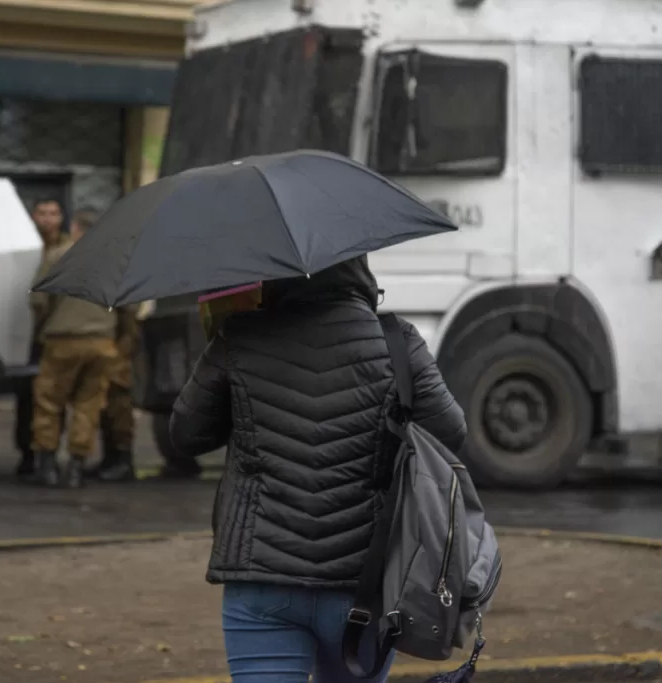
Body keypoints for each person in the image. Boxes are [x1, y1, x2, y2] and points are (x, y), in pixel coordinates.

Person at [168, 257, 467, 683]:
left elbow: (186, 435)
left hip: (261, 577)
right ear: (360, 271)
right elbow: (452, 432)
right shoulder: (398, 341)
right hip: (366, 580)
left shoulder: (240, 336)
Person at [29, 209, 128, 489]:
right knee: (89, 405)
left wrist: (42, 327)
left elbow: (38, 300)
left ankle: (47, 466)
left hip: (62, 340)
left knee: (49, 402)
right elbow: (129, 305)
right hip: (102, 342)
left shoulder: (58, 255)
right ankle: (76, 468)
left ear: (75, 228)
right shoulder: (116, 260)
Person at [15, 197, 70, 480]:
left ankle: (48, 456)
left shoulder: (66, 247)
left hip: (52, 331)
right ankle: (27, 453)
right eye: (42, 213)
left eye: (54, 212)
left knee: (52, 398)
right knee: (28, 398)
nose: (48, 219)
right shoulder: (22, 244)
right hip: (24, 331)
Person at [91, 303, 141, 481]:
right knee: (107, 403)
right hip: (111, 343)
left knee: (119, 404)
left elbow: (129, 319)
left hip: (118, 345)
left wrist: (123, 349)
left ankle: (123, 460)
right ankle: (111, 458)